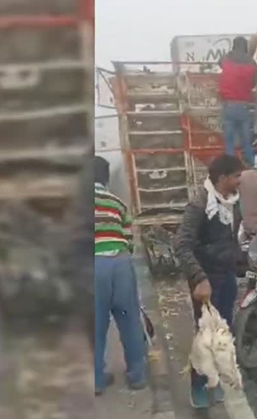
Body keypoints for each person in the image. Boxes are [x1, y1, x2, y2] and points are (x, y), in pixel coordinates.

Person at [175, 154, 244, 409]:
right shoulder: (199, 205)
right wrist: (199, 279)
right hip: (207, 282)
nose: (240, 181)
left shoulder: (233, 202)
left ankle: (214, 381)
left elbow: (229, 239)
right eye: (237, 176)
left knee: (223, 333)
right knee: (205, 338)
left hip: (226, 278)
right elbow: (181, 245)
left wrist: (240, 261)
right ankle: (198, 387)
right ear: (223, 177)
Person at [94, 156, 146, 395]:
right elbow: (129, 238)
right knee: (129, 320)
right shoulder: (116, 201)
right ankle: (137, 375)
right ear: (105, 178)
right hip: (121, 264)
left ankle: (96, 379)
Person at [219, 36, 257, 167]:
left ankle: (230, 170)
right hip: (244, 106)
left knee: (229, 143)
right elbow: (254, 80)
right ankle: (253, 168)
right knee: (247, 142)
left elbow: (220, 62)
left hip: (229, 105)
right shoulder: (251, 62)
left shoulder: (227, 59)